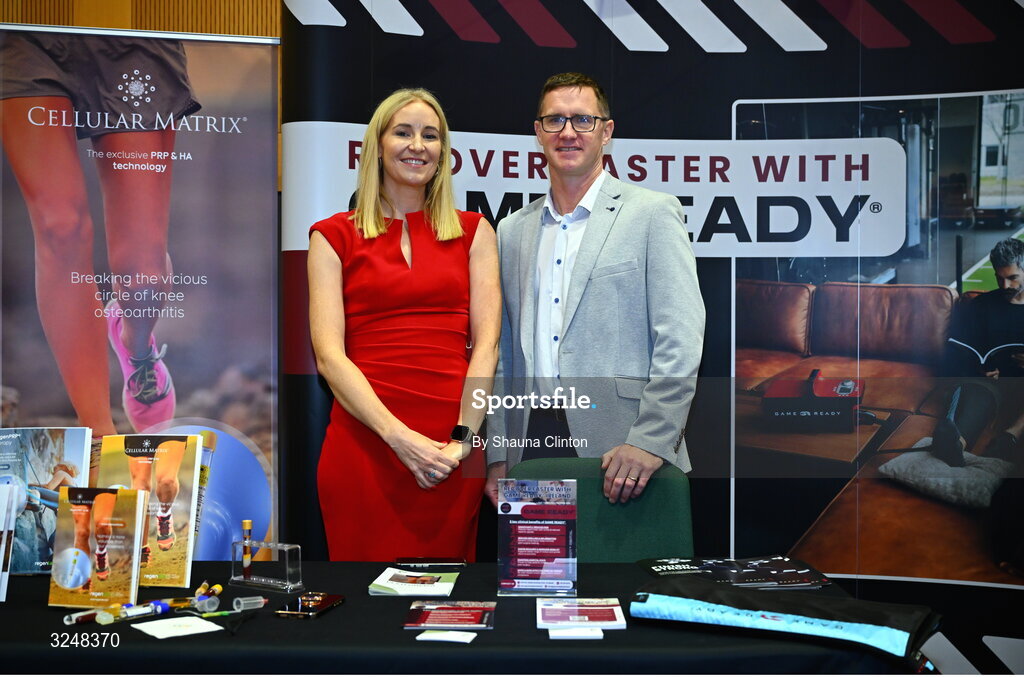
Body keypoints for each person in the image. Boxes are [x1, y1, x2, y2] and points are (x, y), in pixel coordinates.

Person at [485, 73, 705, 507]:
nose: (568, 132)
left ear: (607, 131)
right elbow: (501, 352)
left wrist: (650, 440)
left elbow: (680, 339)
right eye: (554, 120)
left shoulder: (652, 214)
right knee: (539, 577)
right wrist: (498, 451)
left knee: (628, 576)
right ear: (538, 133)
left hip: (628, 449)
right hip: (529, 444)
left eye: (582, 120)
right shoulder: (511, 231)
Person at [308, 88, 500, 561]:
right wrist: (397, 437)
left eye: (430, 135)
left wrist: (461, 441)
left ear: (443, 152)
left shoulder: (475, 232)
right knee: (363, 610)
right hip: (366, 446)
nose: (418, 145)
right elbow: (330, 357)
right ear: (377, 145)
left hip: (450, 451)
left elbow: (487, 346)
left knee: (447, 612)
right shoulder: (331, 235)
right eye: (403, 132)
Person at [0, 33, 198, 477]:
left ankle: (136, 344)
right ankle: (98, 435)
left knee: (143, 275)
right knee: (58, 228)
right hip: (26, 32)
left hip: (129, 31)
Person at [933, 237, 1024, 466]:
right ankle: (957, 443)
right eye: (999, 278)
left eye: (1013, 278)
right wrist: (978, 369)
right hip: (991, 384)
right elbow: (956, 352)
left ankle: (1010, 437)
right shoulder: (982, 305)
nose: (1005, 286)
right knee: (973, 388)